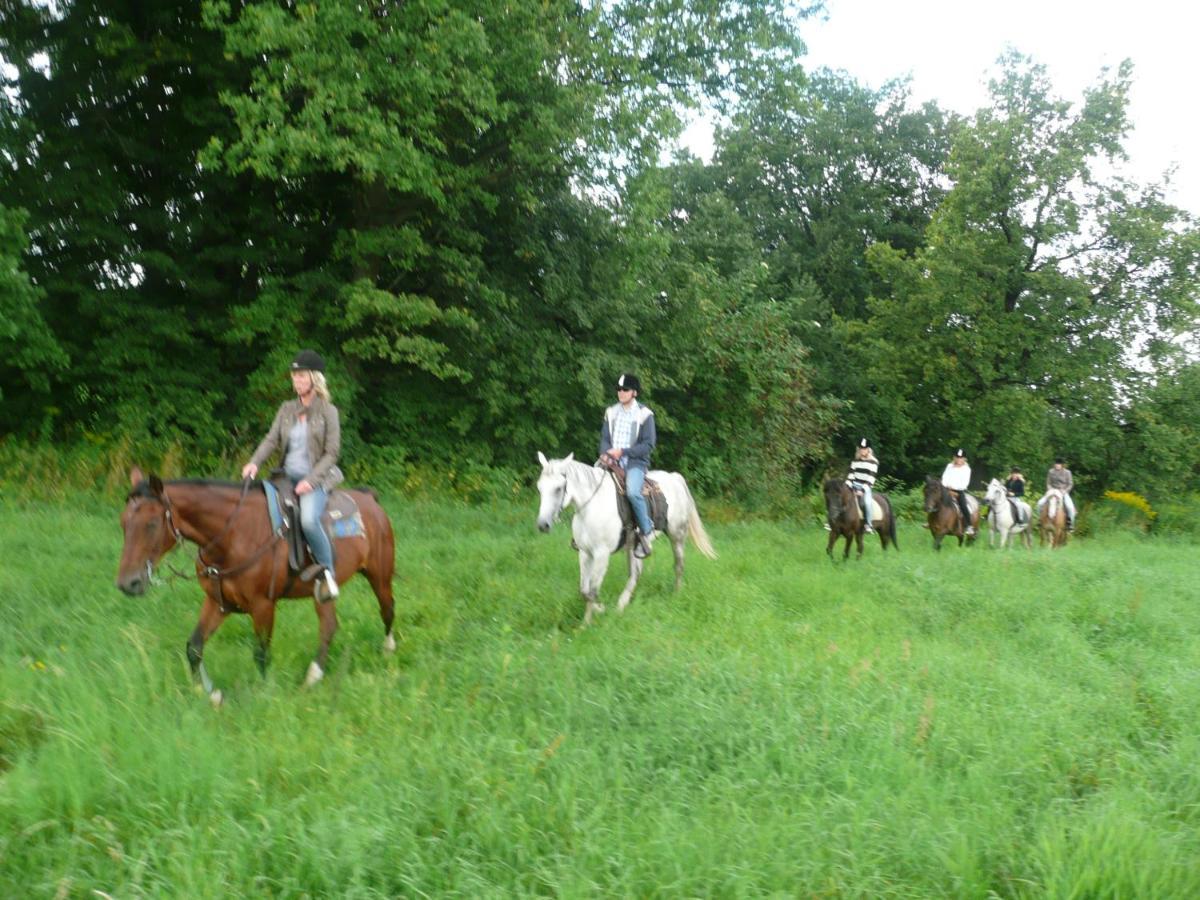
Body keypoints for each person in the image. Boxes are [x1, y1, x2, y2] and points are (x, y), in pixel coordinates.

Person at [241, 350, 344, 599]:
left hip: (316, 478)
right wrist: (254, 462)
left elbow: (332, 453)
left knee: (308, 520)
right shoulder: (287, 409)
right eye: (294, 376)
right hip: (285, 478)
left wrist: (310, 481)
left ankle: (328, 575)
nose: (296, 381)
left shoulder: (328, 412)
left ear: (314, 379)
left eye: (301, 376)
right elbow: (271, 439)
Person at [599, 373, 657, 558]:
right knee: (590, 483)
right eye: (619, 389)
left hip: (635, 463)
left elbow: (648, 445)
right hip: (611, 461)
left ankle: (646, 532)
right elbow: (605, 439)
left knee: (632, 492)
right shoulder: (611, 412)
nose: (621, 392)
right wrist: (606, 453)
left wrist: (622, 452)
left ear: (635, 393)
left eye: (625, 389)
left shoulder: (645, 414)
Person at [847, 438, 879, 533]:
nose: (862, 450)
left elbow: (871, 478)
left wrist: (862, 490)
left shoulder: (874, 462)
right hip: (854, 484)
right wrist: (848, 485)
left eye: (864, 449)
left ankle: (868, 524)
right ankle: (832, 521)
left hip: (865, 486)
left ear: (868, 450)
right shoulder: (855, 461)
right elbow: (851, 474)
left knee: (866, 503)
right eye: (861, 448)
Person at [1037, 457, 1077, 532]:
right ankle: (1040, 520)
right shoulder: (1051, 471)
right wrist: (1050, 489)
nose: (1057, 465)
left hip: (1063, 492)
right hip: (1052, 491)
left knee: (1070, 507)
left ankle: (1070, 523)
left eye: (1059, 464)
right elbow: (1048, 483)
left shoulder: (1067, 472)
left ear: (1062, 465)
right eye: (1056, 464)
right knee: (1039, 503)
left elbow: (1070, 484)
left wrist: (1065, 491)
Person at [941, 449, 975, 535]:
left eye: (961, 458)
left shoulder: (967, 469)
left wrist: (953, 488)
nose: (959, 460)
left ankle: (969, 526)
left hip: (958, 491)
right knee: (934, 500)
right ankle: (931, 521)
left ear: (964, 459)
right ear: (954, 458)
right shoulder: (949, 466)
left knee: (963, 506)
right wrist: (945, 486)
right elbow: (944, 477)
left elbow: (965, 483)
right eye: (957, 457)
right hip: (946, 489)